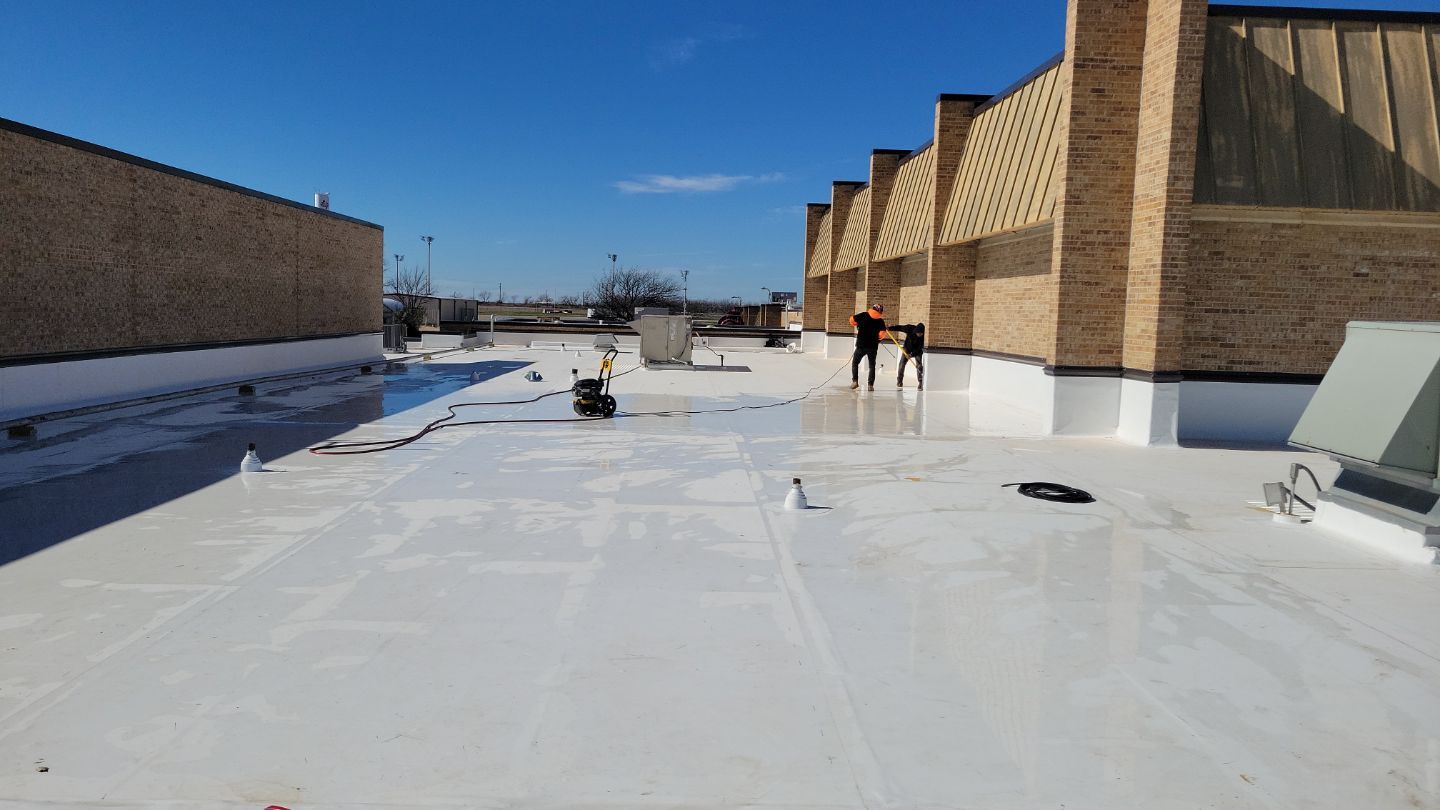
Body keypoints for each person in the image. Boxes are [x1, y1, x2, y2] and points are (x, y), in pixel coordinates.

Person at [848, 303, 888, 390]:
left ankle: (855, 381)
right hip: (872, 347)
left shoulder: (863, 315)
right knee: (872, 366)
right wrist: (877, 337)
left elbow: (852, 320)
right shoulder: (880, 321)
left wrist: (857, 324)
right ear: (880, 311)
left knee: (855, 363)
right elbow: (882, 334)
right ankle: (870, 385)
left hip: (861, 346)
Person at [888, 322, 926, 390]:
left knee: (919, 365)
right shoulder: (909, 328)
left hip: (917, 351)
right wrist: (889, 328)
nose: (920, 335)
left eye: (921, 333)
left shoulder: (923, 337)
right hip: (907, 348)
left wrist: (911, 355)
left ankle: (920, 382)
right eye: (919, 333)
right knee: (902, 364)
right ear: (916, 331)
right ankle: (899, 380)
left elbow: (920, 349)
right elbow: (900, 328)